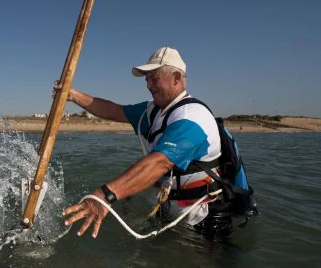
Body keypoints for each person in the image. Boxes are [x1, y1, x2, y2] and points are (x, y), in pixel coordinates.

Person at [60, 46, 232, 239]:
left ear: (176, 78)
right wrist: (72, 95)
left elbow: (160, 163)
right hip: (169, 212)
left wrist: (105, 195)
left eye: (154, 78)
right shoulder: (154, 110)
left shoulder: (192, 118)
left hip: (203, 222)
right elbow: (114, 111)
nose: (148, 85)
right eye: (147, 79)